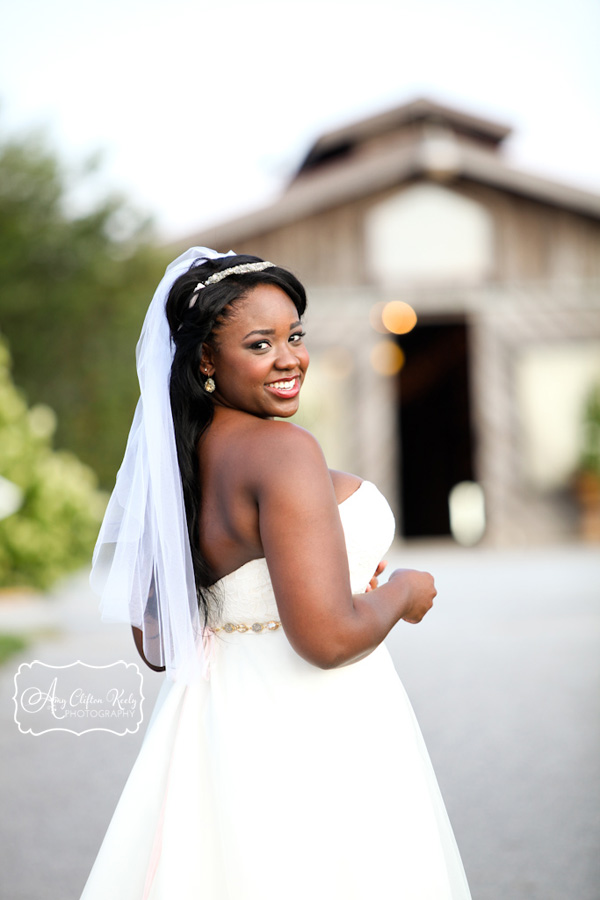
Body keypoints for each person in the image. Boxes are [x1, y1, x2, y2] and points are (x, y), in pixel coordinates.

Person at [80, 247, 472, 899]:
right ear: (204, 359)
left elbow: (158, 641)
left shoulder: (181, 460)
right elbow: (326, 639)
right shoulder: (283, 453)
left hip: (215, 722)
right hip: (311, 722)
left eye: (294, 336)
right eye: (260, 344)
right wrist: (404, 591)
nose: (289, 358)